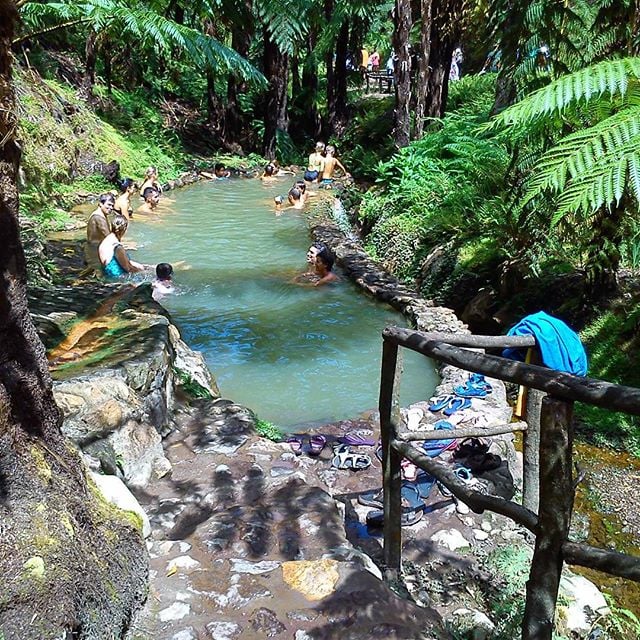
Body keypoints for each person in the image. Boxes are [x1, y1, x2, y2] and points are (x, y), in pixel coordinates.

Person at [85, 193, 115, 271]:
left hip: (94, 248)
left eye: (112, 206)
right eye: (108, 205)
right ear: (100, 204)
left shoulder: (100, 214)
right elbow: (109, 238)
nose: (111, 208)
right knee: (98, 273)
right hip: (95, 251)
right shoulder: (99, 218)